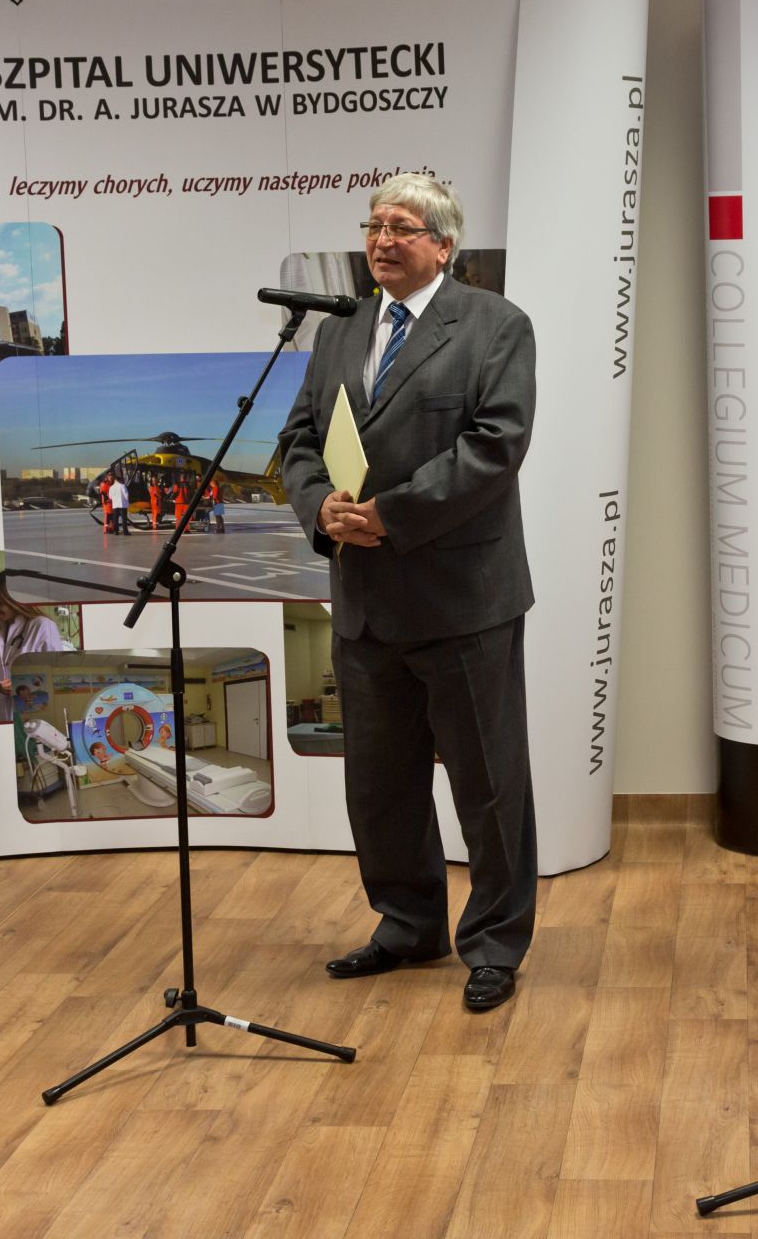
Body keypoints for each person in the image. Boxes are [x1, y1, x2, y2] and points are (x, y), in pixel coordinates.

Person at [276, 172, 537, 1013]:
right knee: (380, 785)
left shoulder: (495, 325)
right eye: (373, 225)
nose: (381, 240)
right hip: (363, 598)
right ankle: (407, 923)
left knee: (488, 785)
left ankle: (494, 942)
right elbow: (299, 438)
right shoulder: (340, 330)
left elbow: (495, 446)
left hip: (463, 597)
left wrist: (391, 514)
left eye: (401, 227)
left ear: (443, 245)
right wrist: (320, 507)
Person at [0, 573, 68, 721]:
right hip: (1, 715)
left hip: (32, 713)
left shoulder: (42, 626)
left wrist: (17, 685)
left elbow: (57, 675)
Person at [107, 470, 131, 535]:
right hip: (122, 505)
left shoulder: (111, 487)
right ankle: (125, 532)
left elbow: (110, 497)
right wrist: (127, 502)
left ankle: (115, 531)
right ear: (119, 480)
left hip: (115, 505)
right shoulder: (122, 486)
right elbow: (126, 495)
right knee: (124, 519)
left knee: (115, 519)